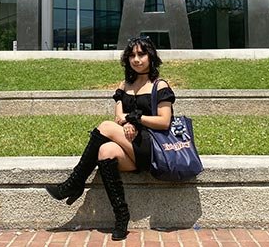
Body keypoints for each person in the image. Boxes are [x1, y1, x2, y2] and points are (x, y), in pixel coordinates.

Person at [45, 35, 175, 241]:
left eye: (141, 54)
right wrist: (128, 123)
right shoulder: (125, 85)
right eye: (132, 55)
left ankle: (75, 182)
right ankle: (121, 216)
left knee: (105, 126)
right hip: (131, 145)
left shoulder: (159, 86)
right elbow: (118, 118)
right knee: (105, 151)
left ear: (151, 57)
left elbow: (164, 122)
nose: (137, 59)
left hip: (153, 148)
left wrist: (135, 119)